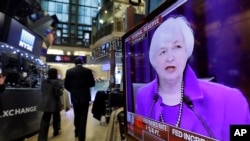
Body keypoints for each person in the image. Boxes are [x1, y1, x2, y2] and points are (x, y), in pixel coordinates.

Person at [135, 15, 250, 141]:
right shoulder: (143, 96)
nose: (170, 57)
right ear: (154, 60)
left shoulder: (230, 101)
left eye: (177, 47)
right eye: (163, 51)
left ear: (187, 52)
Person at [64, 57, 95, 141]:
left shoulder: (69, 71)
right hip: (85, 97)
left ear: (74, 63)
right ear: (82, 63)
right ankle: (82, 138)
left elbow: (66, 85)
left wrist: (73, 91)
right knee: (83, 117)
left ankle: (77, 132)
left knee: (76, 115)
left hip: (74, 97)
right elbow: (92, 84)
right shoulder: (88, 71)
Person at [38, 68, 64, 141]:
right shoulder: (57, 82)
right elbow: (58, 93)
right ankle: (56, 131)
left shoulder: (43, 81)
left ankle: (42, 138)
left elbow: (42, 90)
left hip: (45, 102)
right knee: (56, 118)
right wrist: (61, 91)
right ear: (55, 74)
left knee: (45, 120)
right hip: (55, 103)